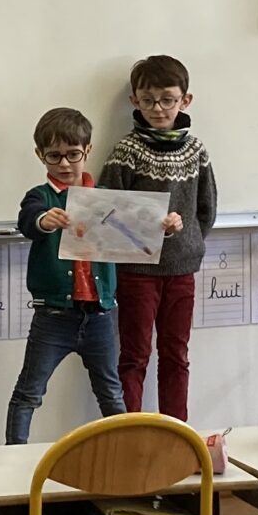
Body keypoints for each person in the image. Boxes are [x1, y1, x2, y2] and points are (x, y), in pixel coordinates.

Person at [99, 53, 217, 425]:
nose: (158, 108)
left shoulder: (196, 152)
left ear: (185, 100)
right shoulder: (126, 151)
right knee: (134, 357)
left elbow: (206, 210)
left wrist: (187, 238)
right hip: (137, 272)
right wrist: (149, 228)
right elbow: (105, 212)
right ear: (135, 101)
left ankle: (177, 434)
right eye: (148, 100)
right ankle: (129, 433)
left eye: (168, 99)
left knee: (176, 356)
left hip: (181, 270)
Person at [6, 107, 126, 444]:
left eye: (73, 154)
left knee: (112, 394)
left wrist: (165, 227)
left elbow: (133, 233)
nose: (64, 163)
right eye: (54, 156)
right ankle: (14, 458)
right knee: (29, 392)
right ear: (40, 155)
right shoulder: (40, 196)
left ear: (87, 151)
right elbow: (29, 220)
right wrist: (44, 220)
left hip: (99, 314)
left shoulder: (103, 197)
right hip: (54, 316)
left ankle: (128, 459)